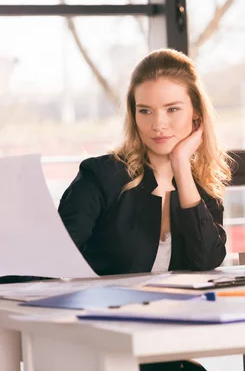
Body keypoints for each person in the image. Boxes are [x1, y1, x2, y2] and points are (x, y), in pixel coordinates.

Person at [58, 49, 231, 371]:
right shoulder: (102, 175)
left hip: (160, 345)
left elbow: (206, 260)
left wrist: (180, 165)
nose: (158, 124)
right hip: (96, 341)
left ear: (197, 116)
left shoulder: (201, 187)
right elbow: (53, 259)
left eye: (172, 109)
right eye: (146, 111)